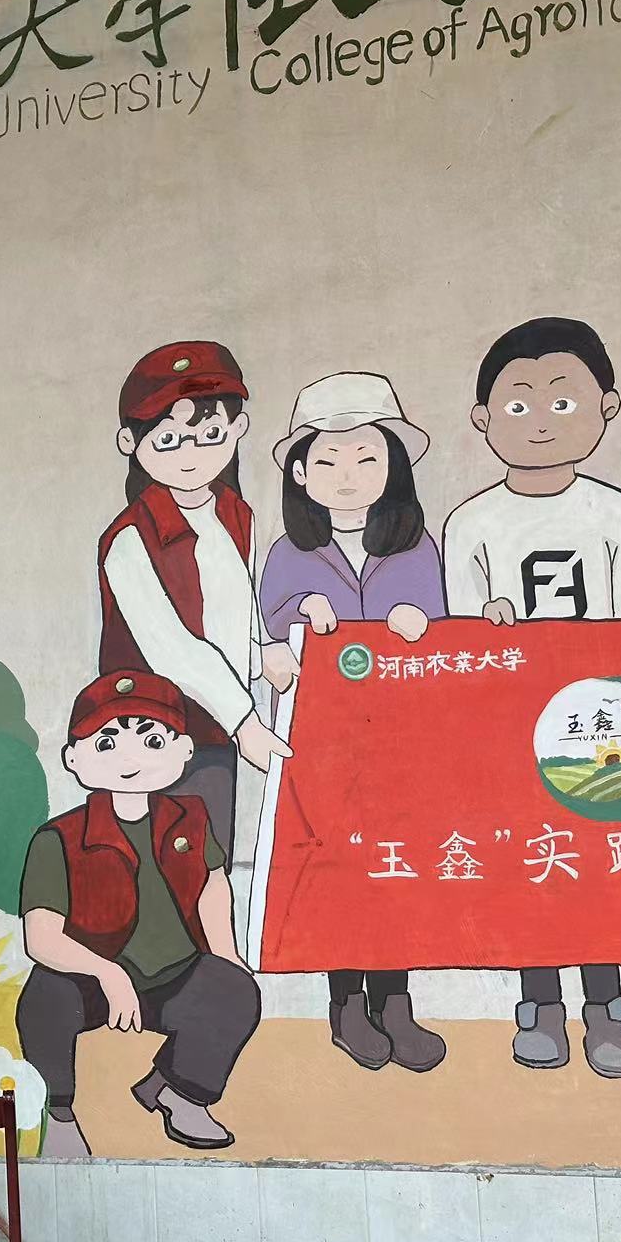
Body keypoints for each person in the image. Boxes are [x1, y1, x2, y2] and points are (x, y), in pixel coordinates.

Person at [442, 316, 621, 1079]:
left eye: (562, 402)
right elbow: (461, 642)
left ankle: (606, 1010)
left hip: (605, 730)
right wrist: (488, 626)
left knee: (595, 867)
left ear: (607, 407)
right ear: (483, 419)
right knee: (530, 863)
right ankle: (537, 1005)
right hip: (508, 728)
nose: (539, 421)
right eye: (518, 403)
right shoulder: (471, 522)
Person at [257, 371, 447, 1073]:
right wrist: (297, 617)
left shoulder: (415, 546)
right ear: (300, 472)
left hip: (401, 747)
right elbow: (272, 630)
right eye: (330, 460)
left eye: (368, 458)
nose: (348, 475)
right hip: (325, 750)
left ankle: (394, 1003)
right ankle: (345, 1005)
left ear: (393, 468)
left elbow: (436, 621)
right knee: (337, 873)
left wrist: (417, 620)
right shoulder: (289, 553)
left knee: (394, 868)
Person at [16, 670, 261, 1156]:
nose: (130, 760)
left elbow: (213, 885)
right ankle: (59, 1114)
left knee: (237, 991)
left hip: (173, 975)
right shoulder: (58, 838)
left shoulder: (191, 818)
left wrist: (227, 955)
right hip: (92, 980)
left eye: (152, 741)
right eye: (107, 743)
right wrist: (106, 973)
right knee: (43, 999)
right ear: (73, 757)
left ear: (184, 750)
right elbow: (40, 937)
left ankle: (179, 1092)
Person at [99, 340, 294, 863]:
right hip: (146, 738)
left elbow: (235, 617)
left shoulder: (237, 515)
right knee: (153, 866)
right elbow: (173, 650)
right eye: (169, 440)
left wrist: (261, 653)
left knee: (211, 862)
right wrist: (245, 722)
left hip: (215, 735)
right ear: (130, 441)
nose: (192, 455)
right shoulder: (130, 538)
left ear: (238, 429)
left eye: (210, 435)